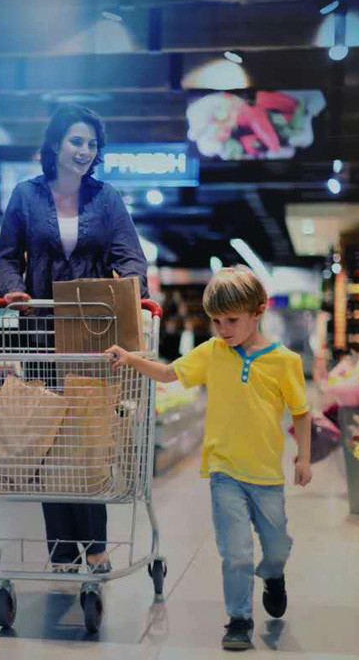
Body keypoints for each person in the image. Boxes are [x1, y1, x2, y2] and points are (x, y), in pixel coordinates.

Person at [106, 266, 312, 651]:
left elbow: (301, 412)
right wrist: (131, 358)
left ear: (258, 311)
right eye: (216, 321)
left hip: (267, 475)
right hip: (224, 471)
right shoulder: (212, 352)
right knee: (235, 552)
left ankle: (274, 575)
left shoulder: (285, 361)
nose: (222, 329)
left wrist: (304, 457)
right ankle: (239, 620)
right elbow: (168, 374)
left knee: (275, 547)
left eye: (231, 320)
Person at [0, 105, 148, 573]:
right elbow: (6, 258)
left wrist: (131, 292)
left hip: (92, 333)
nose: (84, 151)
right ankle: (62, 550)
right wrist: (12, 289)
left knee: (87, 433)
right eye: (76, 141)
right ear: (56, 144)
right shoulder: (25, 196)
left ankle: (95, 546)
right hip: (41, 330)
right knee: (49, 435)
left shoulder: (107, 199)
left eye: (91, 144)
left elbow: (131, 257)